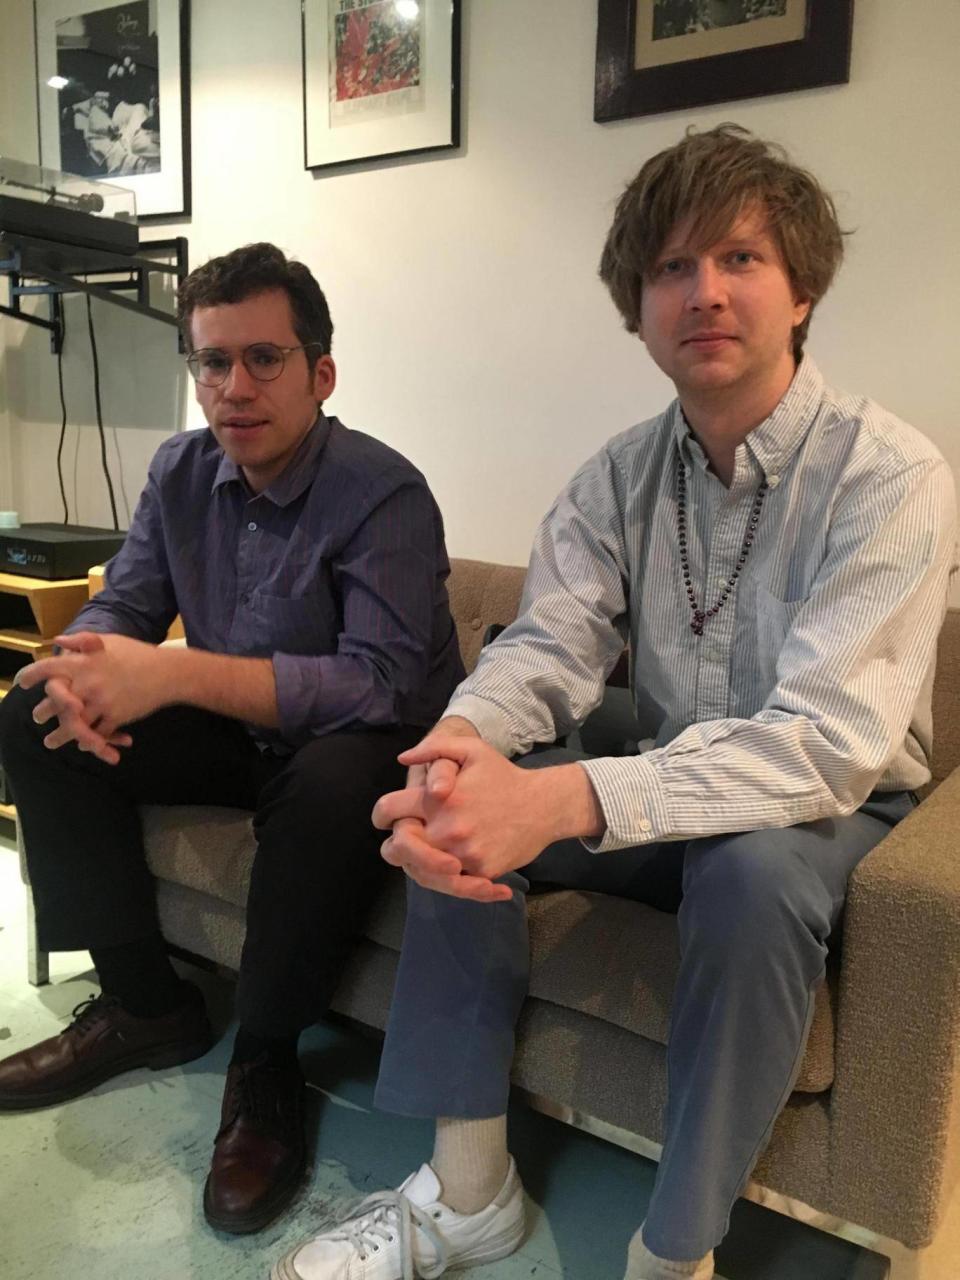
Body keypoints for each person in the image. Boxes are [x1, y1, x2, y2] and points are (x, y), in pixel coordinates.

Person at [271, 126, 957, 1280]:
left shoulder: (892, 474)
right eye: (670, 269)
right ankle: (468, 1187)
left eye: (739, 257)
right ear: (637, 309)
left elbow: (830, 744)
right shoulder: (618, 473)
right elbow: (550, 638)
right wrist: (459, 741)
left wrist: (571, 797)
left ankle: (671, 1247)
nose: (704, 292)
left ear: (801, 288)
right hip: (674, 759)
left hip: (838, 802)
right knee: (463, 794)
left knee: (749, 871)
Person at [0, 242, 464, 1235]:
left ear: (319, 372)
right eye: (212, 361)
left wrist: (167, 672)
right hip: (242, 734)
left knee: (332, 778)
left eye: (263, 358)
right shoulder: (180, 468)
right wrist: (84, 667)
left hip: (369, 742)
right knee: (34, 719)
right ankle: (145, 1002)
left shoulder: (383, 492)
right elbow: (125, 601)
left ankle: (263, 1060)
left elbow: (376, 684)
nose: (233, 386)